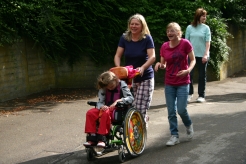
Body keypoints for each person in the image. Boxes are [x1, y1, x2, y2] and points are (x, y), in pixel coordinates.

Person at [154, 22, 196, 146]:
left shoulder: (185, 44)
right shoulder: (164, 46)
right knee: (171, 111)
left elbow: (192, 59)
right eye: (168, 31)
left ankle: (188, 124)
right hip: (170, 82)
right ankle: (174, 136)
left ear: (179, 32)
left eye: (172, 31)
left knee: (181, 109)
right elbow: (164, 64)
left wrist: (188, 70)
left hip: (183, 81)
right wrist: (159, 64)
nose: (169, 33)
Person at [114, 13, 155, 126]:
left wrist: (142, 67)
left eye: (137, 24)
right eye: (132, 24)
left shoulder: (147, 38)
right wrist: (119, 69)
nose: (134, 26)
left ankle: (139, 136)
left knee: (140, 108)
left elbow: (152, 57)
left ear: (142, 26)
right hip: (130, 78)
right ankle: (141, 123)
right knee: (130, 106)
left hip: (145, 77)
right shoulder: (124, 38)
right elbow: (118, 55)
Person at [83, 71, 134, 147]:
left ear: (115, 79)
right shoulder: (103, 87)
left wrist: (118, 101)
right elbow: (100, 102)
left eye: (112, 85)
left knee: (105, 113)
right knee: (90, 113)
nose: (110, 88)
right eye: (108, 87)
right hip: (105, 108)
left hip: (118, 109)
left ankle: (102, 138)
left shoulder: (122, 84)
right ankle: (91, 138)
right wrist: (102, 106)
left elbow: (130, 98)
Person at [185, 8, 211, 103]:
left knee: (201, 75)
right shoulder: (189, 28)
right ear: (198, 16)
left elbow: (208, 43)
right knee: (189, 74)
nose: (205, 17)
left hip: (203, 55)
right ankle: (189, 93)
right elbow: (186, 42)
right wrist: (185, 54)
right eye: (203, 15)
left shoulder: (206, 28)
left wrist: (206, 54)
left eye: (205, 16)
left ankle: (201, 95)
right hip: (191, 55)